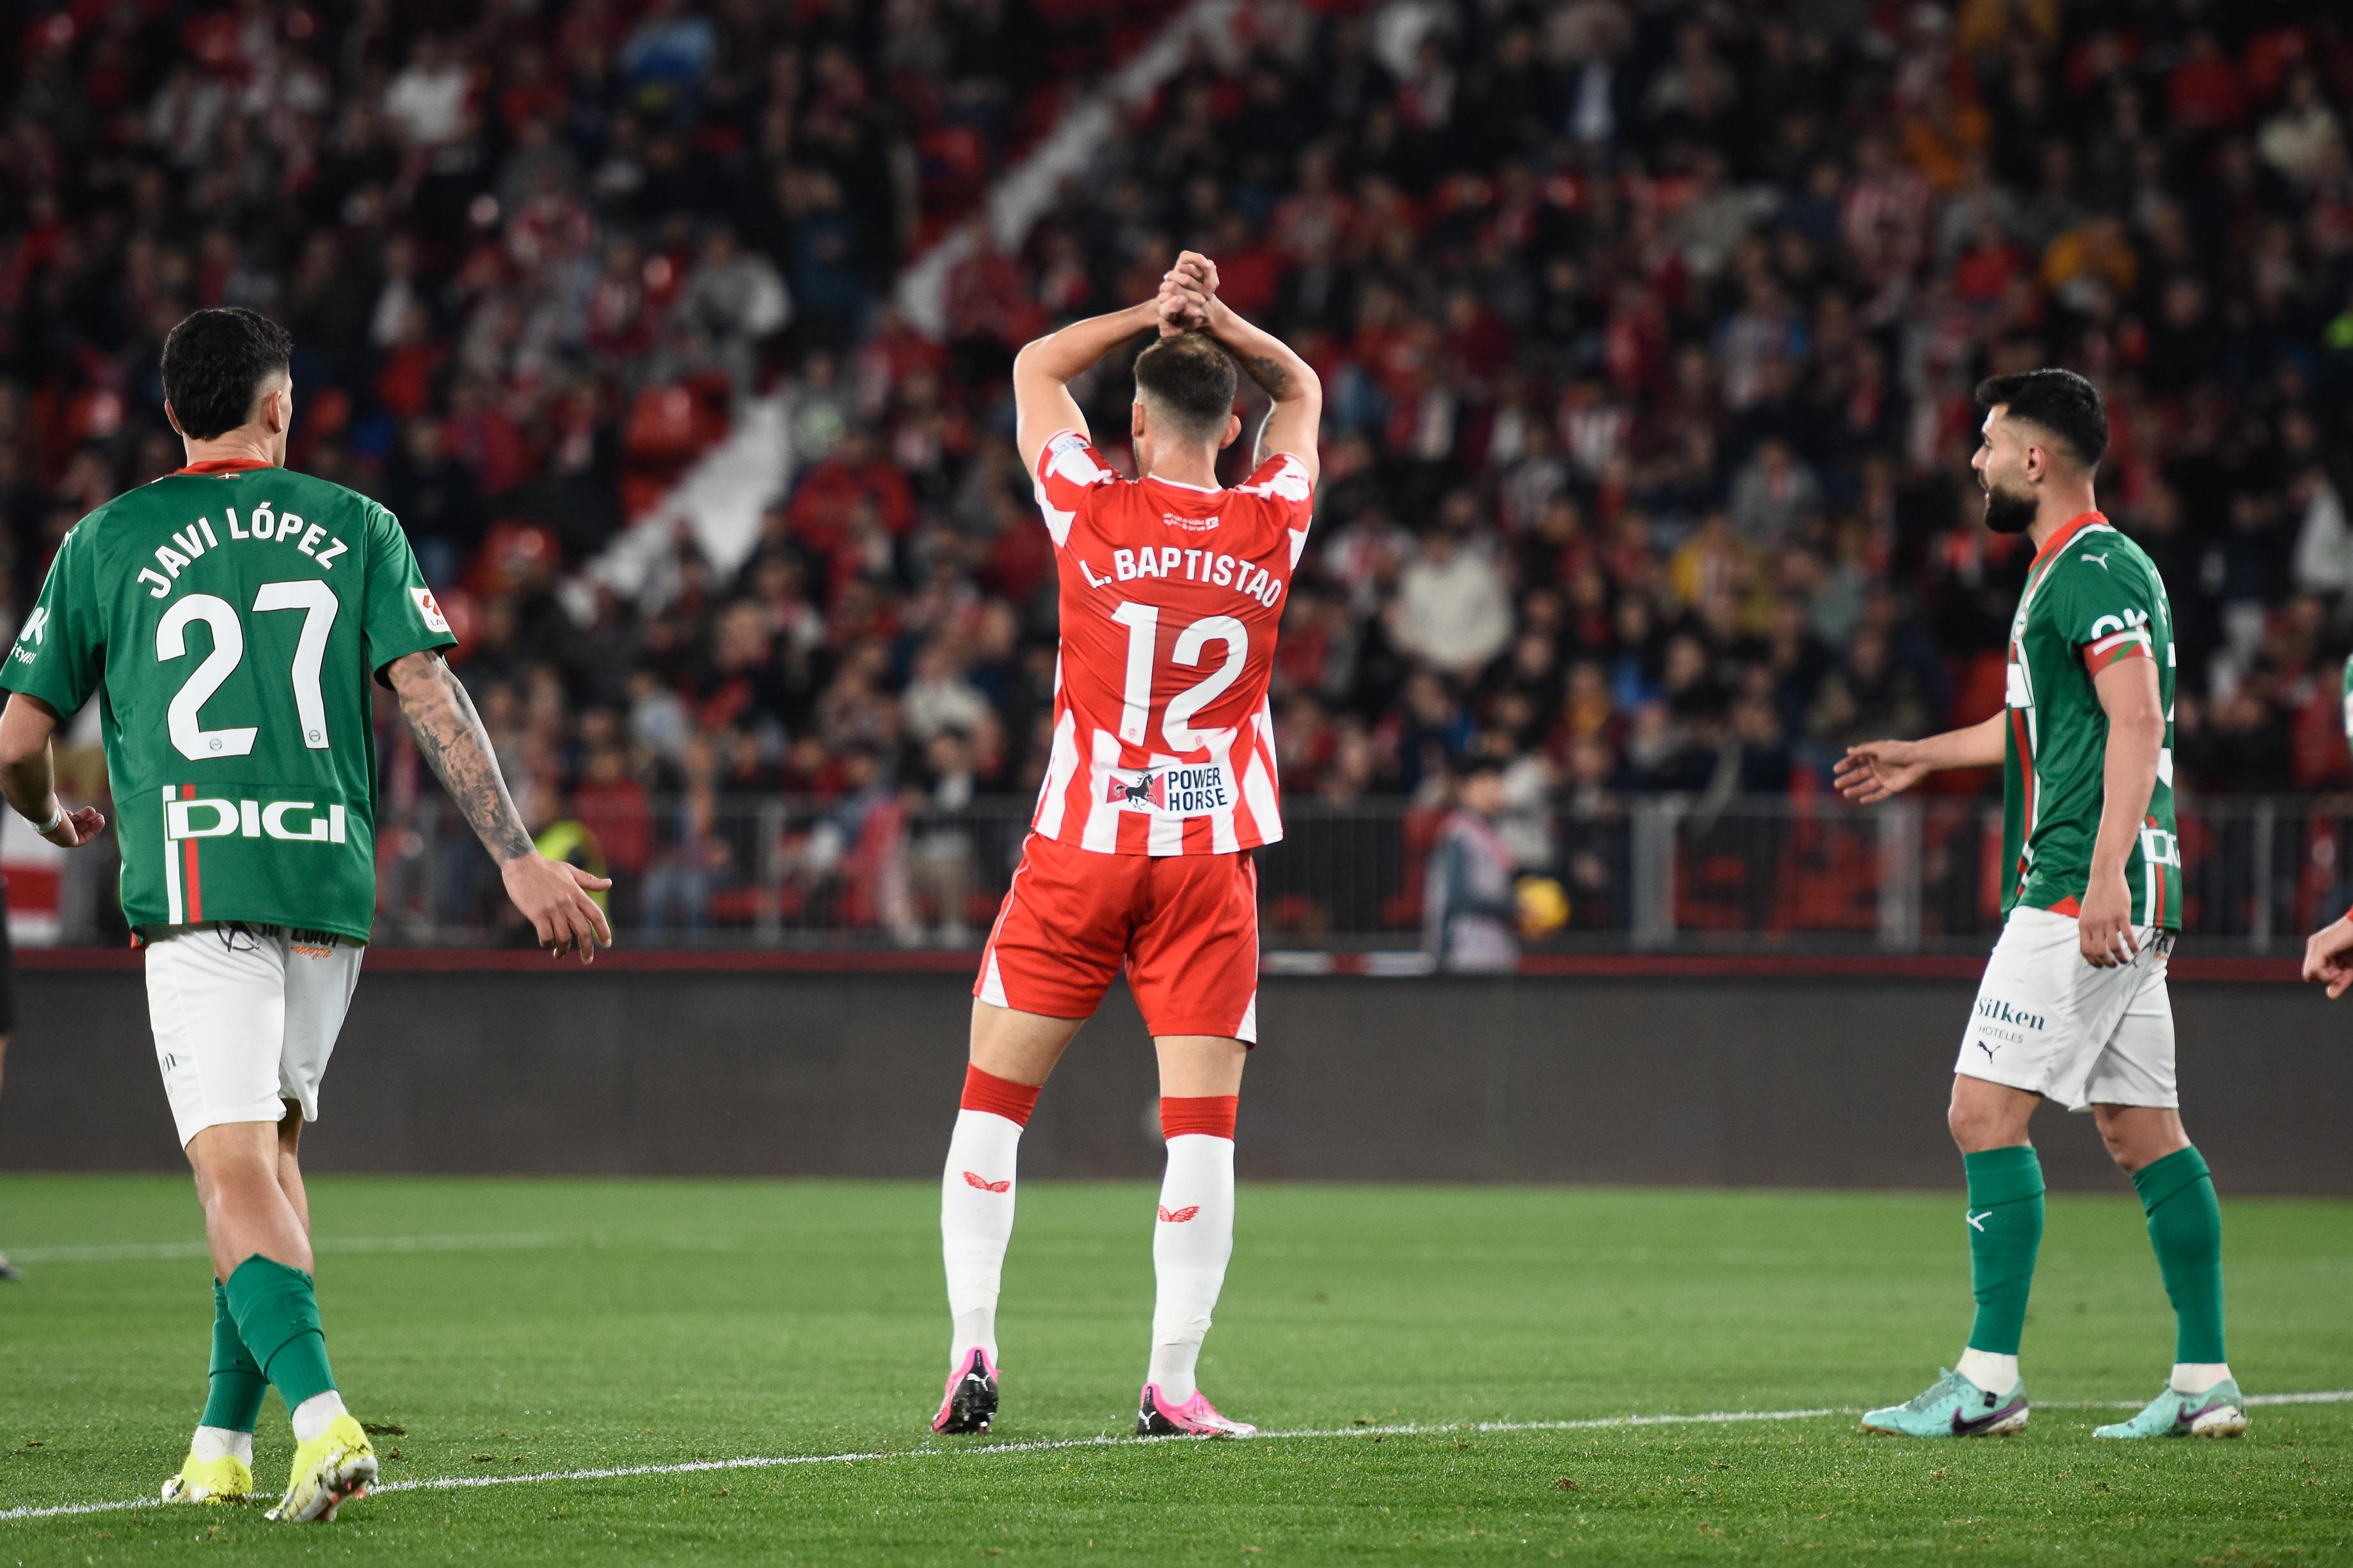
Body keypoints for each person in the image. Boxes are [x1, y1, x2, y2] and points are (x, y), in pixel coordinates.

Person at [0, 308, 611, 1521]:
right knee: (271, 1160)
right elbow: (431, 689)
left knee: (229, 1169)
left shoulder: (106, 540)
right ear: (277, 406)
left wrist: (44, 814)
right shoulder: (357, 526)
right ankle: (222, 1440)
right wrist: (516, 856)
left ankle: (324, 1425)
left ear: (173, 412)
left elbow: (18, 738)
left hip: (197, 886)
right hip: (327, 889)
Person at [931, 252, 1320, 1440]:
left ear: (1136, 420)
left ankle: (973, 1347)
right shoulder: (1270, 519)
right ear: (1235, 426)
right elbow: (1302, 389)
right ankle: (1171, 1382)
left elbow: (1036, 363)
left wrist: (1151, 313)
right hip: (1206, 860)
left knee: (991, 1108)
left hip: (1081, 851)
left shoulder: (1088, 504)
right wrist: (1222, 320)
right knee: (1200, 1131)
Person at [1833, 369, 2242, 1441]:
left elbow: (2138, 716)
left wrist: (2100, 870)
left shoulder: (2090, 568)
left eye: (1985, 442)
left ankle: (1987, 1377)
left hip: (2077, 882)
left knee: (1979, 1112)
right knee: (2141, 1130)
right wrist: (1923, 753)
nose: (1972, 460)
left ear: (2034, 459)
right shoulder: (2076, 571)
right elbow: (2036, 727)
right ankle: (2203, 1379)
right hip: (2123, 879)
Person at [1423, 755, 1520, 972]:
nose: (1492, 789)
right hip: (1464, 953)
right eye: (1483, 782)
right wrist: (1515, 907)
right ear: (1463, 789)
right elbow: (1459, 895)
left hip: (1491, 952)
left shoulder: (1489, 832)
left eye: (1496, 782)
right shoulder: (1458, 833)